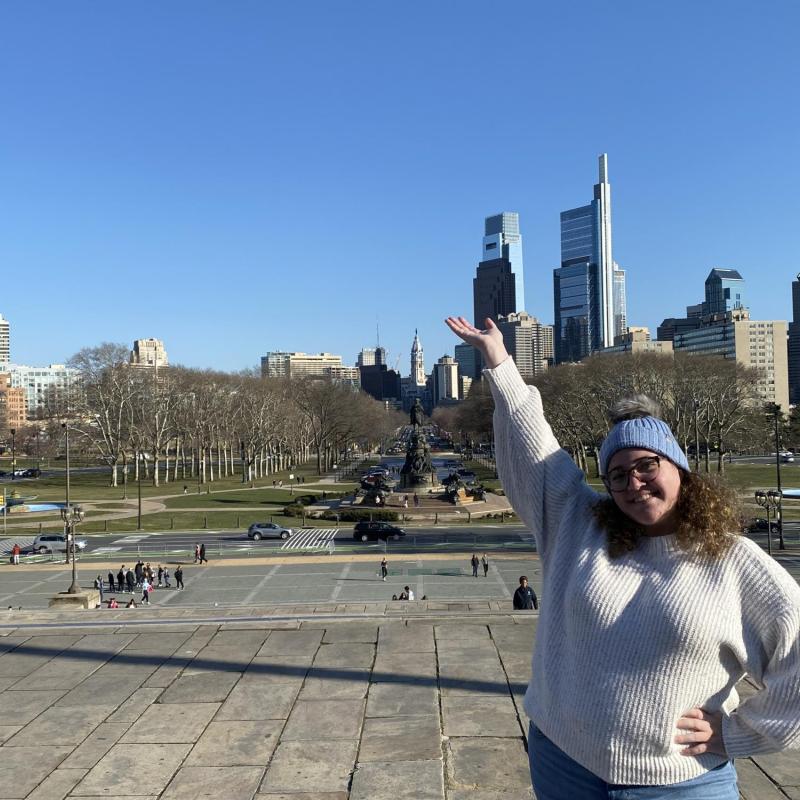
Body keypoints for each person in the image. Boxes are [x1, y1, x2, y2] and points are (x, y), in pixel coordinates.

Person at [446, 314, 800, 799]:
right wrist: (499, 362)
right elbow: (536, 451)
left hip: (680, 782)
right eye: (617, 474)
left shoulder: (734, 561)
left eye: (646, 465)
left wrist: (737, 733)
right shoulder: (578, 526)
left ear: (679, 468)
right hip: (565, 766)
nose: (633, 483)